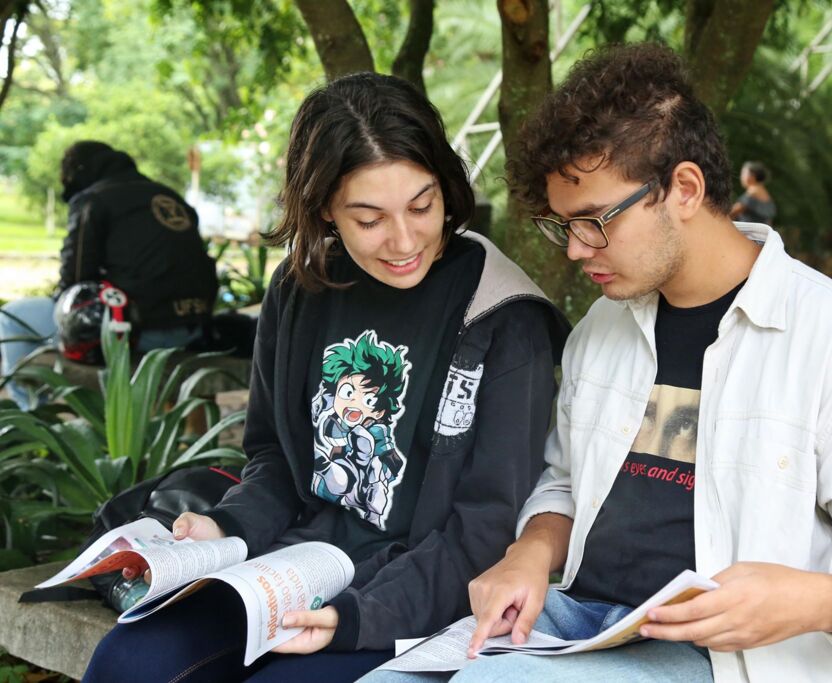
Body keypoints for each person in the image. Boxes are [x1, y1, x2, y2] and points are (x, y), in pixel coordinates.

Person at [363, 44, 832, 683]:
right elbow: (564, 481)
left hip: (727, 658)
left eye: (594, 221)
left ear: (684, 188)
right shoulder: (604, 328)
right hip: (575, 623)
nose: (573, 250)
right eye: (562, 225)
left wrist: (808, 599)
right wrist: (530, 554)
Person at [82, 72, 569, 683]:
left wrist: (358, 616)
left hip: (411, 596)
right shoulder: (301, 284)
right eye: (369, 219)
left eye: (422, 205)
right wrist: (226, 527)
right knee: (128, 662)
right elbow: (273, 456)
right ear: (324, 210)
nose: (404, 240)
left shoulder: (503, 317)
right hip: (288, 565)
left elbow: (485, 527)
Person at [0, 141, 217, 408]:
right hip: (193, 330)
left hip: (134, 333)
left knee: (10, 319)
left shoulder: (93, 200)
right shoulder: (171, 197)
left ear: (78, 171)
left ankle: (35, 415)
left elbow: (75, 282)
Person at [728, 160, 776, 225]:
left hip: (749, 233)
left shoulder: (753, 192)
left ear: (752, 176)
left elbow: (730, 213)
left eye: (743, 173)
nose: (741, 177)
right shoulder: (764, 192)